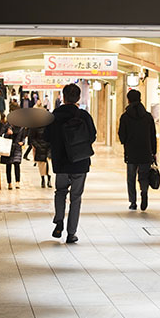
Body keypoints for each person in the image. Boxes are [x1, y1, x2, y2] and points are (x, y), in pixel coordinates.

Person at [45, 83, 96, 243]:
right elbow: (92, 136)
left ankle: (59, 220)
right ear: (78, 98)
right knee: (76, 197)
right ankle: (71, 233)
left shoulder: (54, 116)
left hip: (60, 163)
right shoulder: (83, 116)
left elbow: (46, 137)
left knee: (60, 192)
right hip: (80, 162)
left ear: (63, 97)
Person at [118, 89, 157, 211]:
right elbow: (152, 135)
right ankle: (144, 192)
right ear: (140, 99)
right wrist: (153, 152)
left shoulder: (125, 117)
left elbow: (121, 135)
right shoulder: (148, 117)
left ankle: (133, 202)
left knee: (131, 177)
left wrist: (126, 142)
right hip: (146, 151)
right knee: (143, 176)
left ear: (128, 100)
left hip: (131, 152)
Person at [0, 108, 25, 189]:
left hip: (17, 148)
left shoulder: (21, 127)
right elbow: (1, 135)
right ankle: (9, 183)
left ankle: (17, 182)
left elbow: (23, 137)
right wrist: (7, 134)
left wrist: (23, 142)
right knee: (8, 166)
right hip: (8, 147)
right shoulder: (6, 125)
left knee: (17, 165)